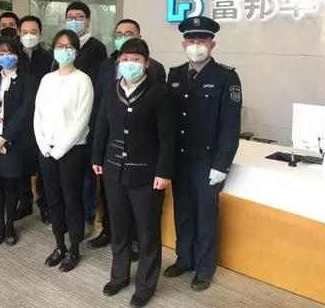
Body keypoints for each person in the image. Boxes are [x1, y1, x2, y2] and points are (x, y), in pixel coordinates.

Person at [92, 38, 176, 308]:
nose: (130, 64)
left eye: (136, 60)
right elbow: (102, 125)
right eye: (125, 59)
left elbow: (168, 138)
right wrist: (97, 157)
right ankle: (119, 277)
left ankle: (145, 285)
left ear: (146, 63)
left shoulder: (160, 93)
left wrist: (163, 171)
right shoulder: (111, 89)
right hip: (114, 170)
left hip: (147, 175)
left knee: (147, 233)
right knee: (119, 228)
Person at [164, 16, 242, 291]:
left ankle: (205, 268)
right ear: (183, 43)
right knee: (183, 211)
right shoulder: (175, 75)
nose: (196, 45)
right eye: (191, 40)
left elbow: (230, 126)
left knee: (206, 215)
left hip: (208, 160)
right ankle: (184, 258)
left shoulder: (226, 77)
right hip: (181, 158)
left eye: (202, 40)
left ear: (212, 44)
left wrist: (222, 164)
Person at [89, 19, 166, 252]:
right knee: (113, 201)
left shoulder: (156, 70)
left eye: (128, 33)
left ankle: (134, 242)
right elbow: (102, 108)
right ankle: (108, 231)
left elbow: (158, 120)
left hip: (141, 152)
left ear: (139, 36)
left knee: (140, 209)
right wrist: (98, 151)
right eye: (119, 34)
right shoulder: (107, 65)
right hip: (113, 150)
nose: (123, 37)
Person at [34, 29, 94, 272]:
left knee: (72, 201)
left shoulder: (83, 80)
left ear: (76, 51)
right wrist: (43, 145)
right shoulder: (47, 79)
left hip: (72, 150)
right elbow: (37, 115)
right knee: (54, 201)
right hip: (46, 150)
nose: (64, 51)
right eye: (59, 46)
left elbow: (82, 120)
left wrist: (58, 149)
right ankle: (59, 245)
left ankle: (74, 249)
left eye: (69, 47)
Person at [0, 36, 37, 245]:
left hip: (14, 141)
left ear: (18, 55)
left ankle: (10, 225)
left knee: (11, 186)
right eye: (1, 53)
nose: (5, 57)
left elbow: (26, 111)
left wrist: (4, 138)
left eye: (9, 53)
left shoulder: (29, 80)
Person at [64, 1, 108, 239]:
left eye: (79, 17)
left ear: (88, 21)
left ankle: (88, 218)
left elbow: (95, 87)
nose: (74, 20)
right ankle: (70, 217)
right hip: (64, 123)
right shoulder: (64, 46)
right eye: (70, 16)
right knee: (69, 174)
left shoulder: (97, 48)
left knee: (86, 174)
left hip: (87, 120)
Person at [15, 15, 53, 224]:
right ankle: (25, 202)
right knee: (21, 163)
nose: (29, 36)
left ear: (40, 34)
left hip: (44, 118)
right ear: (19, 33)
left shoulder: (49, 58)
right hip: (19, 118)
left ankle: (45, 205)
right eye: (25, 32)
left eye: (33, 32)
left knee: (43, 165)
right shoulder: (13, 56)